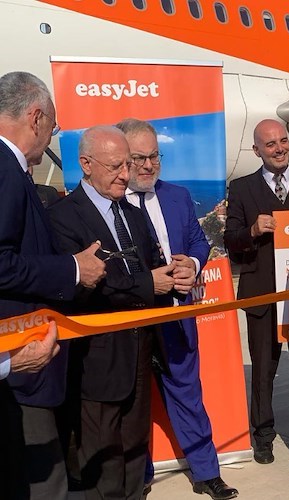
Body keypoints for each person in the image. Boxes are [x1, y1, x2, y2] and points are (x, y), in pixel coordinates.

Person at [48, 125, 175, 500]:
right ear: (85, 164)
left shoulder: (133, 213)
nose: (126, 173)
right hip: (96, 362)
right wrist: (150, 284)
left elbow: (152, 264)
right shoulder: (63, 218)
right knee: (102, 459)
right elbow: (87, 288)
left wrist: (175, 273)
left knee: (136, 449)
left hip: (139, 353)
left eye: (129, 163)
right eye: (116, 165)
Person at [117, 118, 239, 500]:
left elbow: (198, 242)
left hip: (176, 315)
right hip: (131, 320)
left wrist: (194, 263)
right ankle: (140, 476)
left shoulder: (179, 196)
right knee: (133, 403)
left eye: (155, 156)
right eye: (139, 158)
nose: (149, 165)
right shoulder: (109, 203)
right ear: (121, 159)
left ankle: (206, 472)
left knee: (188, 394)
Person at [0, 70, 105, 499]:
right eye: (53, 127)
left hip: (19, 357)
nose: (50, 137)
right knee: (43, 483)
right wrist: (73, 270)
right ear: (36, 116)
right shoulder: (5, 168)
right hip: (18, 357)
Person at [224, 119, 289, 464]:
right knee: (264, 370)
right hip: (262, 292)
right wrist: (252, 229)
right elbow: (230, 240)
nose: (279, 148)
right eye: (270, 144)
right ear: (256, 151)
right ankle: (263, 435)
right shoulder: (242, 188)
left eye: (283, 141)